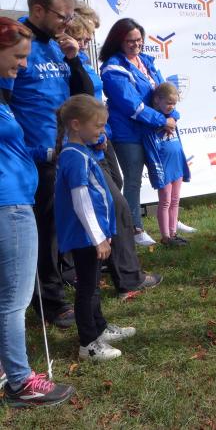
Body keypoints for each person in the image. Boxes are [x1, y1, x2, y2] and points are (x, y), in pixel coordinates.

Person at [0, 0, 89, 328]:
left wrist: (74, 60)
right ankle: (50, 303)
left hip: (65, 152)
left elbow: (82, 95)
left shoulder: (57, 46)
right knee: (42, 233)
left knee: (60, 228)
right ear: (39, 10)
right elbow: (5, 103)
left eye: (70, 16)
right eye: (63, 16)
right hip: (36, 158)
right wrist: (31, 148)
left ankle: (59, 287)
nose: (68, 23)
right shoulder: (16, 44)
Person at [0, 17, 75, 407]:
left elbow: (13, 147)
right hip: (9, 205)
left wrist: (46, 152)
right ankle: (20, 383)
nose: (24, 65)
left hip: (14, 199)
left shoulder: (3, 98)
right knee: (14, 299)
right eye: (18, 56)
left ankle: (5, 367)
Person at [66, 11, 162, 299]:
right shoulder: (79, 63)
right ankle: (128, 277)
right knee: (118, 205)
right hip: (86, 144)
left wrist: (102, 131)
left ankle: (107, 260)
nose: (86, 42)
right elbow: (82, 103)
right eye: (82, 37)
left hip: (100, 137)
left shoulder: (83, 60)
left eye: (89, 37)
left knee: (116, 191)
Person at [54, 95, 136, 361]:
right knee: (87, 288)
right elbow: (81, 201)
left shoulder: (82, 151)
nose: (102, 131)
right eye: (98, 125)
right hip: (85, 236)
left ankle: (99, 327)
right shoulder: (73, 156)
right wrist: (98, 237)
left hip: (92, 234)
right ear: (76, 125)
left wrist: (103, 233)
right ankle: (88, 343)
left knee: (94, 285)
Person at [100, 18, 177, 247]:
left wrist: (173, 115)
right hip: (128, 134)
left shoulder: (146, 61)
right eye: (130, 41)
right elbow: (132, 105)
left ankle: (170, 221)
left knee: (166, 175)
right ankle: (135, 228)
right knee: (133, 180)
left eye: (139, 40)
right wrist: (162, 120)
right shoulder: (113, 67)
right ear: (119, 41)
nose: (136, 45)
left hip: (151, 131)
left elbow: (165, 93)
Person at [143, 83, 191, 247]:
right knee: (165, 201)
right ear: (157, 100)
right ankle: (165, 237)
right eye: (169, 103)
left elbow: (175, 114)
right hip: (163, 166)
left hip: (177, 164)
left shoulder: (172, 117)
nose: (172, 106)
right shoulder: (152, 119)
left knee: (175, 199)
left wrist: (172, 116)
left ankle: (173, 233)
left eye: (174, 103)